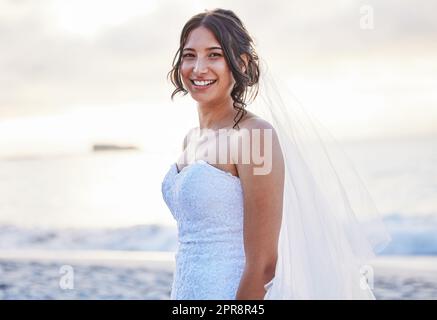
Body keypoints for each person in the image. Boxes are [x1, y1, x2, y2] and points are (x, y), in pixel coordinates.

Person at [162, 8, 390, 300]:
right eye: (189, 55)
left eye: (214, 55)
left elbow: (265, 265)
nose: (198, 67)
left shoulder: (255, 136)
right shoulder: (190, 140)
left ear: (241, 63)